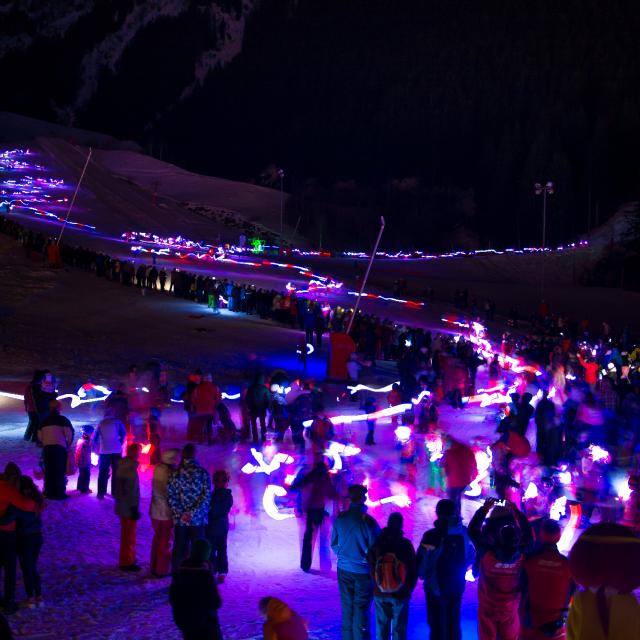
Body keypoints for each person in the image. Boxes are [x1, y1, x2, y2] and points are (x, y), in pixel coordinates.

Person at [469, 498, 533, 640]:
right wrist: (516, 511)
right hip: (510, 610)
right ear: (517, 539)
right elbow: (529, 535)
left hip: (488, 608)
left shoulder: (487, 553)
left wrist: (484, 509)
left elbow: (473, 531)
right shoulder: (521, 556)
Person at [417, 498, 475, 640]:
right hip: (456, 585)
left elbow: (422, 562)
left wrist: (423, 575)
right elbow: (471, 555)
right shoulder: (464, 533)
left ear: (437, 513)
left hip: (435, 586)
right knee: (453, 622)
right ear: (455, 512)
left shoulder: (431, 535)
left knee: (436, 624)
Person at [331, 484, 381, 640]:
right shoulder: (368, 522)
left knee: (347, 606)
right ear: (363, 498)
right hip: (362, 571)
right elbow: (376, 548)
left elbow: (334, 543)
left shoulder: (341, 519)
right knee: (361, 608)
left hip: (344, 569)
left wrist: (344, 556)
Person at [520, 519, 574, 640]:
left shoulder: (529, 562)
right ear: (559, 536)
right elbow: (572, 593)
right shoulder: (568, 565)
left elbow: (519, 589)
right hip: (557, 625)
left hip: (531, 623)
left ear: (541, 535)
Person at [368, 513, 417, 640]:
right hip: (400, 594)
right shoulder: (405, 545)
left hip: (380, 592)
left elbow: (370, 566)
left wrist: (375, 586)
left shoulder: (377, 544)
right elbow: (413, 569)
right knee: (399, 629)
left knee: (382, 627)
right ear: (401, 525)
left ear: (388, 524)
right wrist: (408, 589)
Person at [167, 444, 212, 573]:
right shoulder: (202, 473)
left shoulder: (175, 474)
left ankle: (178, 574)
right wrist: (192, 512)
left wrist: (182, 513)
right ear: (195, 455)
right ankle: (197, 574)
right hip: (198, 520)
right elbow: (206, 496)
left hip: (181, 520)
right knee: (198, 549)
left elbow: (171, 497)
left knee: (179, 547)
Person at [0, 471, 40, 614]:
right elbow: (26, 507)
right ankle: (11, 601)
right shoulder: (13, 493)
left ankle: (10, 600)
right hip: (15, 535)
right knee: (14, 569)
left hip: (13, 535)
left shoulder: (8, 492)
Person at [170, 538, 222, 640]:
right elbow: (216, 602)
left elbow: (173, 598)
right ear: (206, 555)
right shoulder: (205, 576)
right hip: (205, 626)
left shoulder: (179, 573)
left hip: (185, 623)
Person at [292, 460, 335, 573]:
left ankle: (305, 565)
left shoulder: (310, 478)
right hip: (321, 511)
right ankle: (325, 566)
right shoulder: (325, 479)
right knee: (324, 538)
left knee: (308, 539)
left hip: (311, 511)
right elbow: (332, 494)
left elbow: (296, 487)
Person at [150, 448, 180, 578]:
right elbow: (172, 493)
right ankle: (161, 569)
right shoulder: (171, 473)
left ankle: (154, 565)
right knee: (165, 541)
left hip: (155, 511)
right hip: (166, 512)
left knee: (157, 539)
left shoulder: (158, 469)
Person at [114, 443, 142, 571]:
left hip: (123, 506)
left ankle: (129, 558)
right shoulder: (129, 468)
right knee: (129, 536)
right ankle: (126, 562)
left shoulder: (123, 465)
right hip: (128, 508)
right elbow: (130, 491)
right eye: (139, 452)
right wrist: (133, 507)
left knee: (128, 534)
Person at [38, 400, 74, 500]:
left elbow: (40, 436)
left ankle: (48, 492)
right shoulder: (63, 420)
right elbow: (70, 433)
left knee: (49, 470)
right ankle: (59, 493)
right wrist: (68, 445)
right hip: (59, 448)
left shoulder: (44, 421)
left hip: (47, 449)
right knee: (59, 470)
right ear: (59, 408)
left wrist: (45, 442)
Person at [93, 407, 126, 499]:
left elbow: (95, 437)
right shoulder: (118, 422)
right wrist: (120, 443)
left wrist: (95, 448)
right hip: (116, 451)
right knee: (116, 472)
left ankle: (101, 493)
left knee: (103, 472)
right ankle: (115, 493)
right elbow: (123, 434)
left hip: (104, 451)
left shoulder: (101, 423)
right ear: (113, 413)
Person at [206, 470, 233, 583]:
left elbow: (211, 510)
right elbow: (225, 510)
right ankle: (222, 571)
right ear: (227, 482)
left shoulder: (211, 495)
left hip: (212, 525)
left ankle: (212, 570)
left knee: (211, 548)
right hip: (222, 525)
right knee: (222, 548)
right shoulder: (228, 495)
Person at [441, 436, 477, 516]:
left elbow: (442, 465)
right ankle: (457, 515)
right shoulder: (468, 451)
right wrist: (473, 478)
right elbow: (474, 465)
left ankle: (453, 516)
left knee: (452, 500)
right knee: (458, 498)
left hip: (453, 481)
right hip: (464, 480)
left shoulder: (449, 453)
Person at [191, 373, 221, 445]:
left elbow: (193, 398)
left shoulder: (198, 388)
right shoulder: (215, 387)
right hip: (210, 410)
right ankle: (209, 440)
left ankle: (200, 440)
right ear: (210, 379)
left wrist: (197, 405)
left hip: (200, 410)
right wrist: (215, 405)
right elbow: (218, 398)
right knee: (209, 425)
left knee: (200, 426)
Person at [246, 374, 271, 444]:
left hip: (253, 409)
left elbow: (247, 398)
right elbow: (268, 399)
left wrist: (249, 406)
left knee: (254, 425)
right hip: (262, 409)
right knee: (263, 424)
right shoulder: (264, 388)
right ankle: (264, 439)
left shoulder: (251, 388)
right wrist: (267, 407)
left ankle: (255, 439)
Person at [75, 425, 94, 494]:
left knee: (81, 474)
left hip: (80, 461)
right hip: (85, 462)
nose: (92, 434)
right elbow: (87, 453)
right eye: (92, 433)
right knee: (86, 475)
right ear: (88, 433)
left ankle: (79, 487)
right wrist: (90, 462)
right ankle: (85, 489)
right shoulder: (87, 442)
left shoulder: (80, 440)